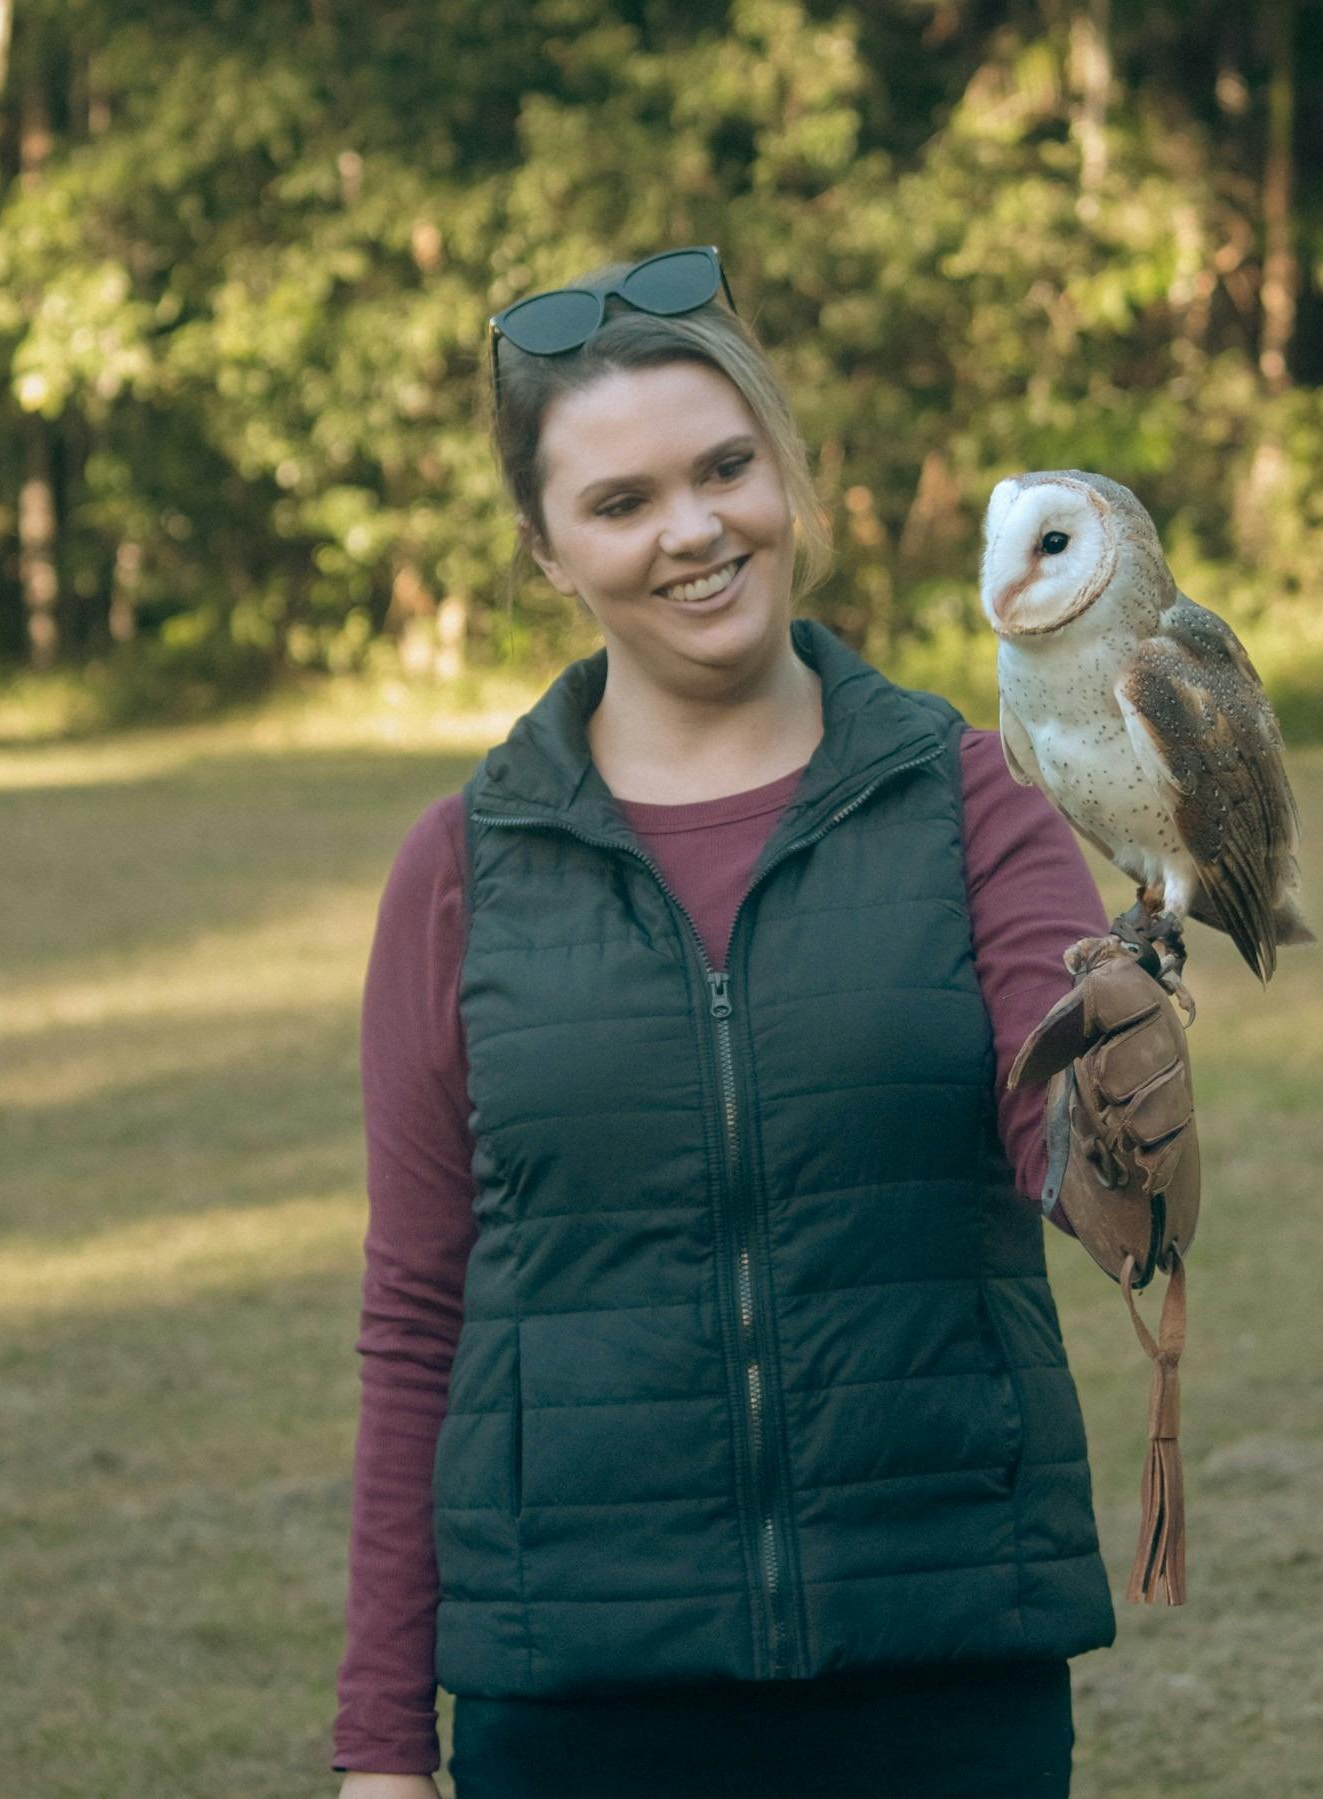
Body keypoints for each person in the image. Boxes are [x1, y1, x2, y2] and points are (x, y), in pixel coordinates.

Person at [331, 246, 1118, 1799]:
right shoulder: (463, 869)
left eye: (724, 469)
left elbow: (1088, 1175)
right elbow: (418, 1310)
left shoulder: (975, 803)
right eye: (621, 502)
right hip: (578, 1701)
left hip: (939, 1677)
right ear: (548, 550)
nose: (693, 530)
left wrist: (1123, 1107)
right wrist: (379, 1749)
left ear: (788, 469)